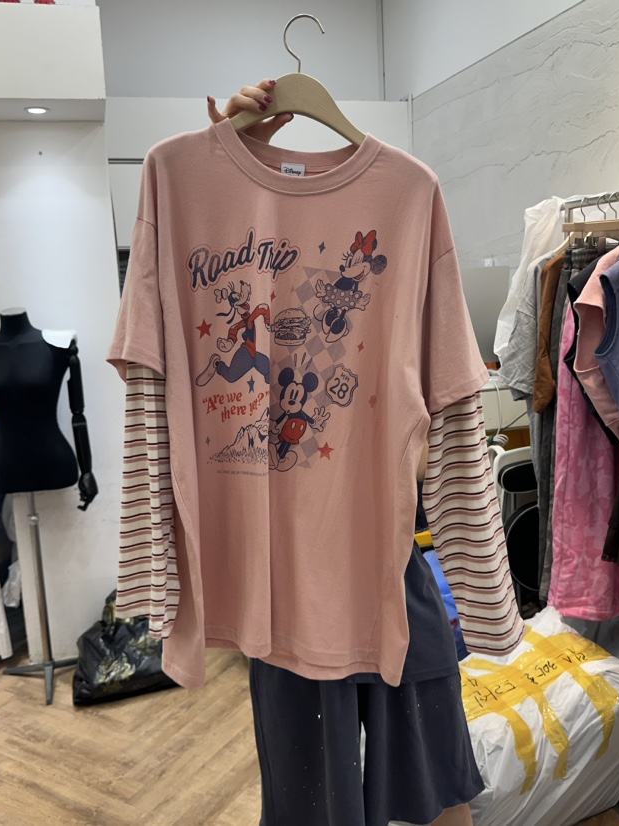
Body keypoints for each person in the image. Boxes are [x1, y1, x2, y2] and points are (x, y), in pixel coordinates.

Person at [206, 81, 479, 826]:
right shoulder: (216, 221)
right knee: (312, 805)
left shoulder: (409, 198)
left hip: (392, 572)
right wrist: (227, 165)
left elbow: (446, 417)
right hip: (283, 601)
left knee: (438, 783)